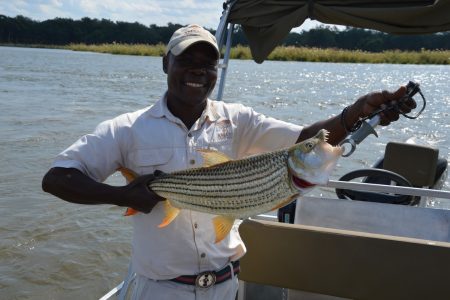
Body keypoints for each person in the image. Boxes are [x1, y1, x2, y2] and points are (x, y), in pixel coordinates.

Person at [42, 24, 415, 299]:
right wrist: (123, 197)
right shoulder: (125, 129)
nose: (198, 70)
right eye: (186, 60)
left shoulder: (238, 120)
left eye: (208, 63)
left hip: (225, 286)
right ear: (165, 63)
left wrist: (355, 113)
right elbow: (57, 178)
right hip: (159, 290)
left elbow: (305, 140)